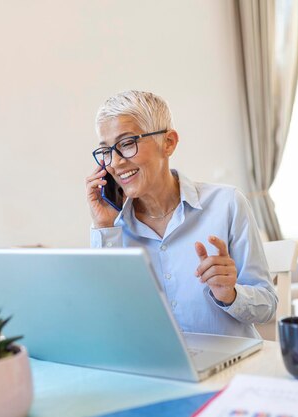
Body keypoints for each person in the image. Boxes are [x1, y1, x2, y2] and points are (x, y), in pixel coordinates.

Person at [84, 90, 277, 339]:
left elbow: (268, 307)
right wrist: (103, 227)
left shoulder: (227, 204)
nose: (116, 162)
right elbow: (105, 318)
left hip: (229, 369)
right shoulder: (113, 227)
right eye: (107, 150)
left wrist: (231, 294)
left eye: (127, 143)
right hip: (157, 370)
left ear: (169, 143)